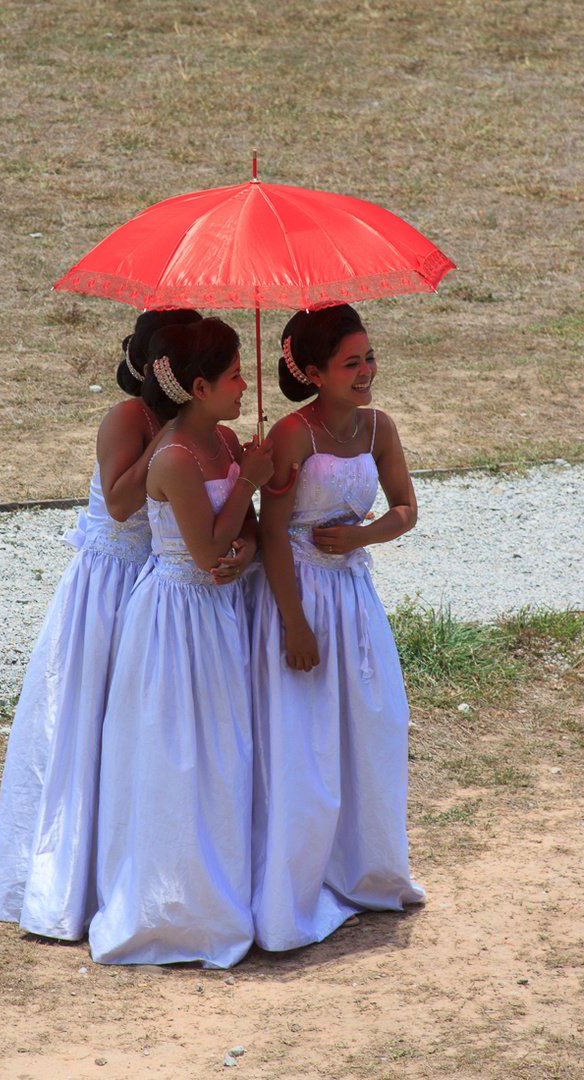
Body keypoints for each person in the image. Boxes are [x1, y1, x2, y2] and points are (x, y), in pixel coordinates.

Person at [0, 308, 204, 941]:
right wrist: (170, 442)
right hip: (110, 586)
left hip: (160, 587)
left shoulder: (186, 421)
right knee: (86, 721)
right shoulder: (127, 420)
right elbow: (118, 500)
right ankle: (68, 877)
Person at [87, 317, 274, 968]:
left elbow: (239, 536)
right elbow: (202, 552)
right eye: (233, 377)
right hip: (178, 624)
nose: (245, 386)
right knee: (178, 754)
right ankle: (177, 903)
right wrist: (249, 483)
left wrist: (248, 546)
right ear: (197, 386)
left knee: (225, 751)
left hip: (221, 618)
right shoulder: (171, 457)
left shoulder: (223, 440)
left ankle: (227, 883)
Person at [249, 303, 425, 952]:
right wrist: (294, 624)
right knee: (307, 741)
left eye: (370, 357)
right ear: (315, 373)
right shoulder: (296, 434)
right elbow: (271, 533)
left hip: (353, 592)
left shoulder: (380, 428)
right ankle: (299, 884)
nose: (367, 371)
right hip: (299, 593)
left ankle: (368, 868)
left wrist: (363, 533)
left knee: (374, 724)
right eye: (352, 362)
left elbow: (406, 508)